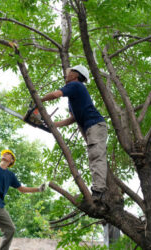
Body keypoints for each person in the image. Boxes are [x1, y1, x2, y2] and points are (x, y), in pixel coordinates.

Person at [41, 65, 108, 202]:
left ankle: (98, 191)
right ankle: (98, 190)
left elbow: (55, 95)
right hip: (91, 127)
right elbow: (72, 119)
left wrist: (39, 100)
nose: (67, 74)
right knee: (93, 156)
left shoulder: (76, 85)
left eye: (69, 72)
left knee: (96, 156)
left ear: (76, 75)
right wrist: (53, 125)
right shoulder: (73, 97)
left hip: (95, 124)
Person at [0, 149, 45, 250]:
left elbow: (22, 189)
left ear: (11, 160)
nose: (5, 154)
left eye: (8, 154)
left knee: (10, 229)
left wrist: (38, 189)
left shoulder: (10, 175)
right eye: (4, 153)